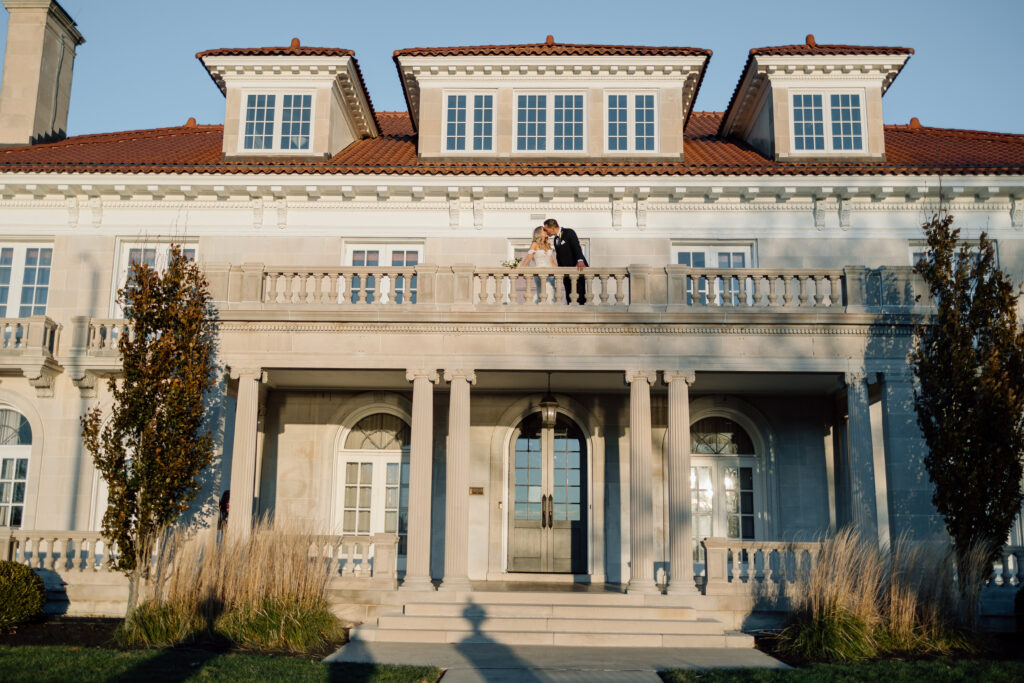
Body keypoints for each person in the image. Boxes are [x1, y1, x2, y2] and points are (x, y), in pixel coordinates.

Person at [543, 218, 587, 304]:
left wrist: (580, 260)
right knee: (569, 295)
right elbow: (559, 257)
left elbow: (576, 246)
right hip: (566, 272)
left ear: (552, 228)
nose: (545, 231)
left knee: (579, 295)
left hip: (577, 269)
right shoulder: (555, 240)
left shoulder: (569, 232)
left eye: (546, 229)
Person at [520, 225, 557, 303]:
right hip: (540, 273)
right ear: (539, 233)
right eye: (544, 230)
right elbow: (528, 258)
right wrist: (522, 268)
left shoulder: (547, 245)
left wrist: (559, 272)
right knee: (543, 293)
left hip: (550, 274)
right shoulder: (535, 244)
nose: (546, 231)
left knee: (551, 293)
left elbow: (552, 262)